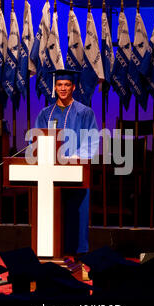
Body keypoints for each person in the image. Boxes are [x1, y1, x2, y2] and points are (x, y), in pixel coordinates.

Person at [34, 69, 99, 257]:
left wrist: (75, 159)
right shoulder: (45, 114)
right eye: (60, 85)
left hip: (76, 172)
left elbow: (92, 140)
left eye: (67, 85)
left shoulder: (85, 112)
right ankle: (51, 253)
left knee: (77, 214)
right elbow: (36, 140)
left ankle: (79, 257)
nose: (63, 88)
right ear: (55, 87)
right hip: (50, 174)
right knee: (52, 214)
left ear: (73, 87)